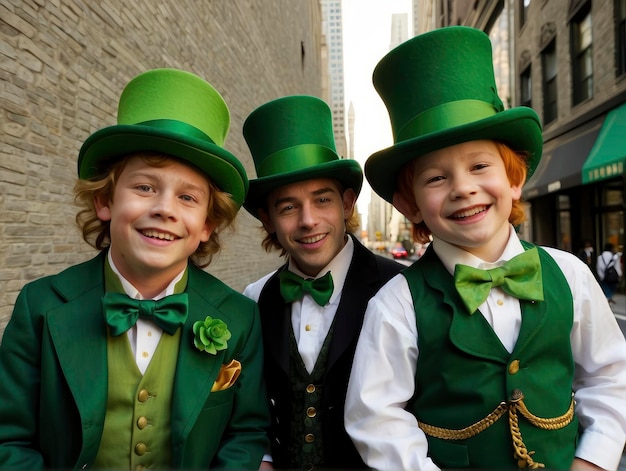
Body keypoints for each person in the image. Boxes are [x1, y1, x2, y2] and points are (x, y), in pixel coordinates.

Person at [344, 26, 626, 471]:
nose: (463, 188)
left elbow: (611, 376)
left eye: (479, 166)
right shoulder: (397, 305)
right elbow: (375, 418)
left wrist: (592, 461)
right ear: (410, 204)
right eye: (436, 178)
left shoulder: (569, 274)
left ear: (514, 180)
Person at [0, 68, 270, 469]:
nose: (163, 209)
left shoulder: (239, 316)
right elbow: (10, 438)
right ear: (104, 201)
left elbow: (244, 435)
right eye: (144, 187)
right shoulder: (39, 305)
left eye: (188, 197)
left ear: (206, 225)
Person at [241, 95, 403, 470]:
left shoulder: (400, 289)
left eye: (322, 200)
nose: (308, 220)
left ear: (347, 204)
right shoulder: (254, 299)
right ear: (268, 220)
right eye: (288, 207)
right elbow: (251, 410)